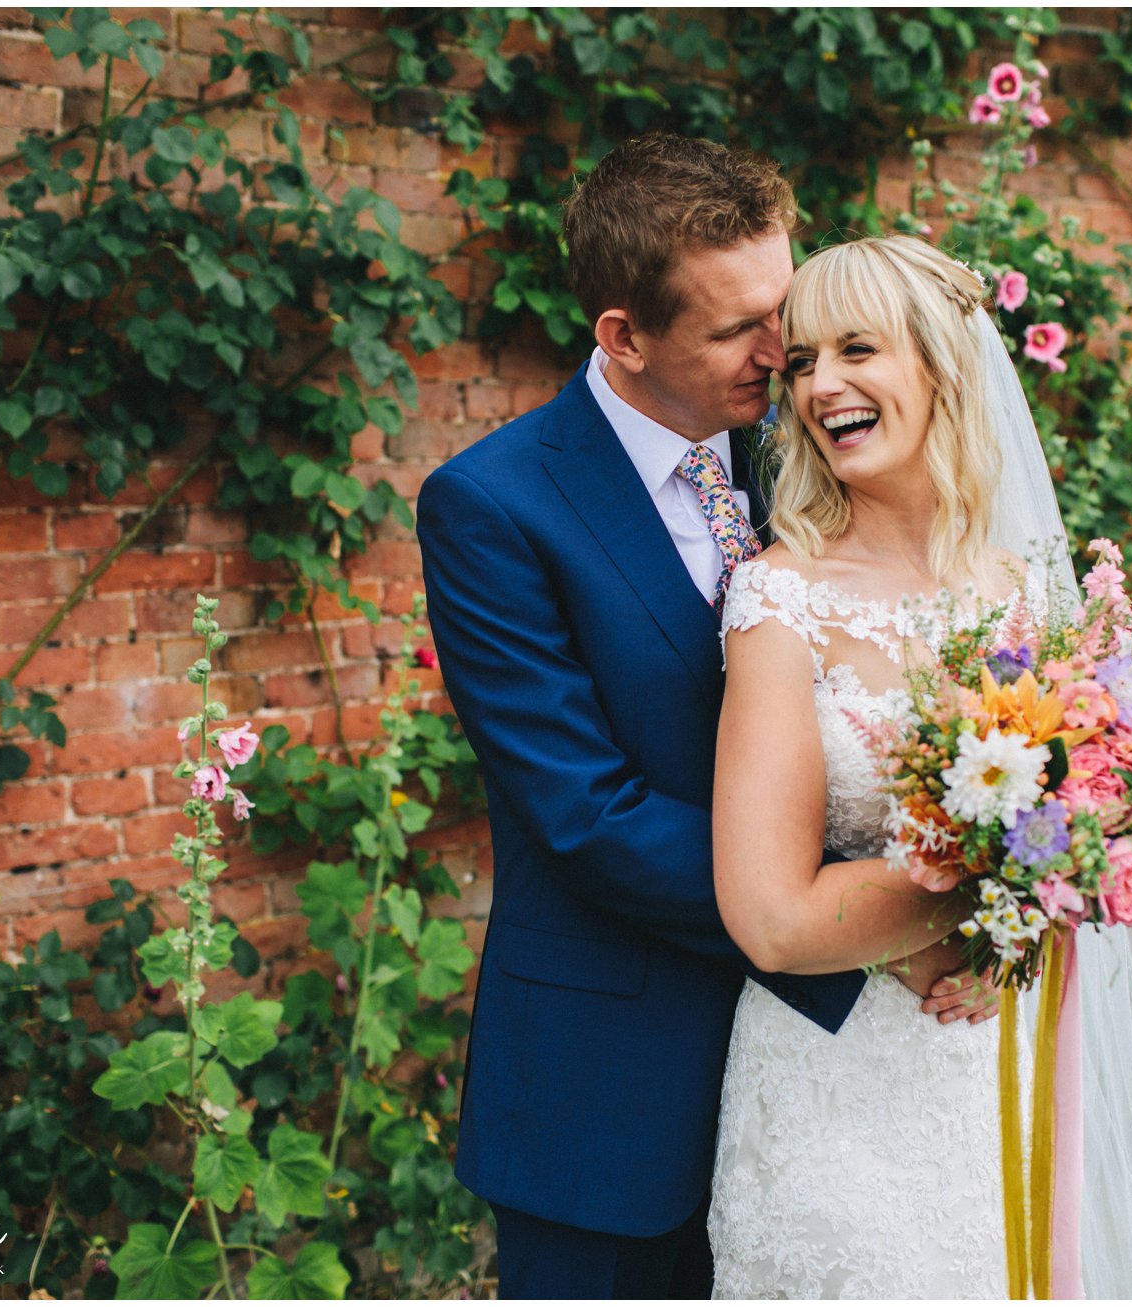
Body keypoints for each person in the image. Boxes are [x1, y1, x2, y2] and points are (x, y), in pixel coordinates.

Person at [416, 136, 985, 1301]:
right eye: (741, 331)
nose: (787, 358)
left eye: (788, 312)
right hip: (611, 1084)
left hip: (835, 1091)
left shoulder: (811, 456)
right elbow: (585, 811)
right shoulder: (494, 507)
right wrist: (868, 917)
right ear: (623, 336)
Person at [708, 234, 1132, 1298]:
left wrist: (1030, 915)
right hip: (838, 1081)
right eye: (801, 360)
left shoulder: (1026, 592)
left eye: (858, 348)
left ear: (944, 364)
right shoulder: (778, 599)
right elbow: (770, 916)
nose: (821, 384)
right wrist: (975, 902)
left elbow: (1075, 819)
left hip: (998, 1055)